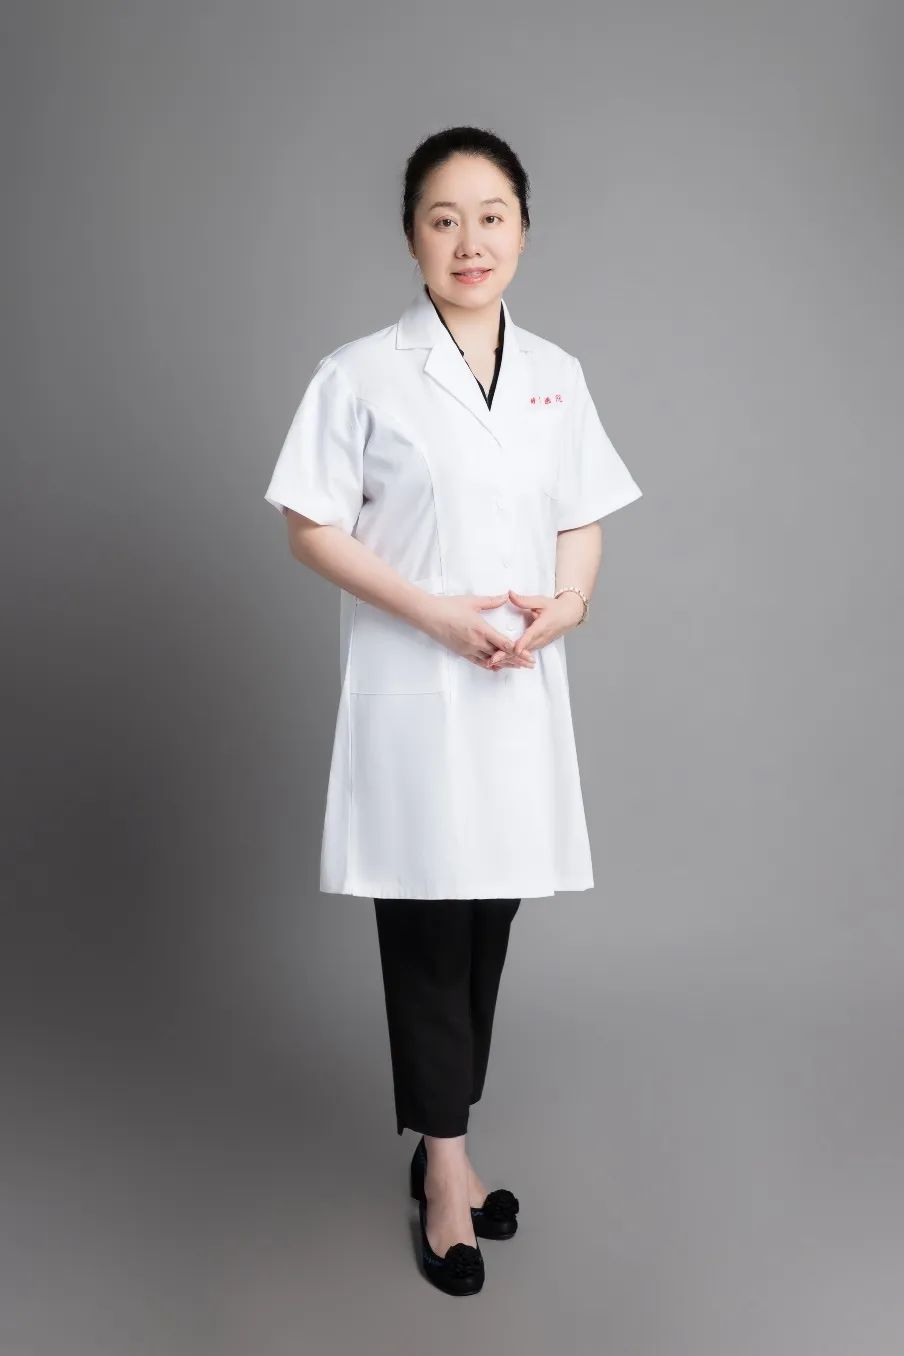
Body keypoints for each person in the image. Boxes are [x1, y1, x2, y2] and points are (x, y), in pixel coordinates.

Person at [264, 126, 643, 1295]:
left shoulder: (556, 373)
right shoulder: (358, 374)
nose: (469, 240)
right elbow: (309, 525)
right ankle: (444, 1172)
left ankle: (446, 1135)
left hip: (517, 688)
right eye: (443, 219)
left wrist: (566, 607)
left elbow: (581, 512)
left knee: (488, 923)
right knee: (428, 932)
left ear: (522, 228)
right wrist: (432, 614)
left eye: (490, 216)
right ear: (411, 238)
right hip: (416, 692)